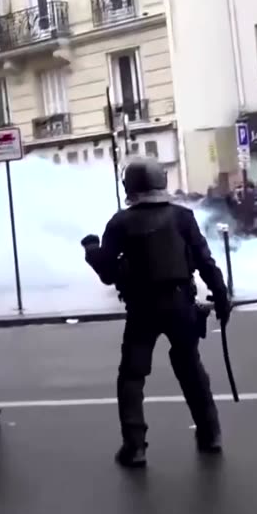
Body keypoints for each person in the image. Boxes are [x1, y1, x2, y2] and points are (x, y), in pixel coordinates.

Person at [82, 157, 230, 469]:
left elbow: (108, 273)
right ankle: (210, 434)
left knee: (132, 377)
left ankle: (135, 447)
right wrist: (221, 296)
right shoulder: (182, 216)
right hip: (180, 303)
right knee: (190, 368)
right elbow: (205, 260)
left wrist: (92, 250)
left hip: (143, 308)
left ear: (131, 186)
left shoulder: (120, 222)